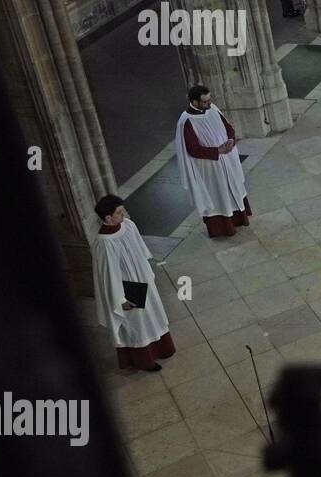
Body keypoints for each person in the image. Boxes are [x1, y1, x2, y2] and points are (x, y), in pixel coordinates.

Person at [91, 195, 175, 373]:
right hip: (128, 287)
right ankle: (145, 361)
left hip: (143, 277)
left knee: (154, 314)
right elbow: (108, 274)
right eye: (119, 213)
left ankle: (163, 348)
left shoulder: (128, 225)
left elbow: (140, 248)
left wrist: (146, 268)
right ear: (108, 218)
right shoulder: (104, 243)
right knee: (139, 324)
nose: (124, 214)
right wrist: (120, 298)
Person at [175, 85, 253, 238]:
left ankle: (239, 219)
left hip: (227, 159)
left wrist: (230, 140)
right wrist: (217, 151)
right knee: (219, 194)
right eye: (205, 102)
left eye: (210, 100)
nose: (209, 104)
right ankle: (224, 228)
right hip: (209, 166)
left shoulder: (213, 109)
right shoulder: (186, 121)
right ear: (194, 102)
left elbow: (228, 127)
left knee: (233, 188)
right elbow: (193, 149)